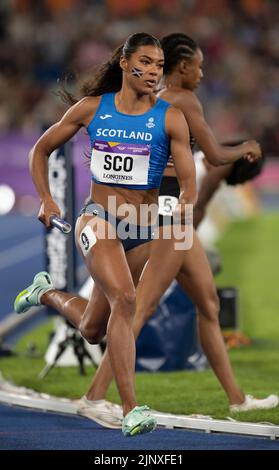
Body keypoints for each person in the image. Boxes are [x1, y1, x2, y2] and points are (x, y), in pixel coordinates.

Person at [79, 33, 277, 420]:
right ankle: (94, 395)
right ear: (183, 67)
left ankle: (237, 399)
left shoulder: (157, 100)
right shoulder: (181, 99)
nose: (202, 74)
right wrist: (247, 147)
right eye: (199, 66)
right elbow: (217, 155)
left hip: (171, 211)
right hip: (164, 213)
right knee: (138, 308)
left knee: (208, 302)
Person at [14, 32, 198, 436]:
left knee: (94, 328)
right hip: (99, 218)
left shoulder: (169, 117)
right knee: (126, 299)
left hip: (142, 229)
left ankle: (44, 292)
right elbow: (40, 149)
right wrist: (45, 198)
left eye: (159, 66)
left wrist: (184, 202)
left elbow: (188, 180)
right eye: (146, 62)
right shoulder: (92, 109)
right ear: (125, 63)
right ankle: (130, 408)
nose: (153, 72)